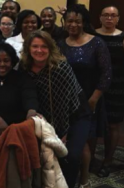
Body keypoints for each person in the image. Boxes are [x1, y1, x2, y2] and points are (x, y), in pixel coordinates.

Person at [21, 30, 89, 188]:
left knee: (68, 155)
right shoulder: (24, 67)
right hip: (44, 116)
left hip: (75, 115)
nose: (39, 50)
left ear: (50, 48)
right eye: (35, 46)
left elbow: (64, 104)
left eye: (44, 46)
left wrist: (62, 133)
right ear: (28, 49)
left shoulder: (60, 67)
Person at [58, 4, 112, 188]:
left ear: (84, 23)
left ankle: (84, 181)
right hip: (66, 100)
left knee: (84, 145)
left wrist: (94, 99)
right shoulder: (62, 43)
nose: (73, 24)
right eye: (69, 21)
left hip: (90, 99)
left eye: (77, 21)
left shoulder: (96, 43)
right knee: (70, 141)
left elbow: (106, 74)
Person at [94, 5, 124, 177]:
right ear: (100, 17)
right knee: (92, 122)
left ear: (118, 18)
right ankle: (91, 159)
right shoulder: (93, 35)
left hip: (117, 86)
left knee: (113, 125)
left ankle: (108, 160)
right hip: (95, 86)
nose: (109, 18)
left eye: (113, 15)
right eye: (106, 15)